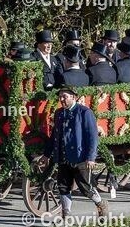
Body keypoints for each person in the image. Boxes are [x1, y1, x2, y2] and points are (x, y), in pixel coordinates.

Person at [38, 86, 109, 219]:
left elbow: (92, 137)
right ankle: (66, 214)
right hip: (63, 157)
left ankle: (101, 203)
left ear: (73, 97)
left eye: (64, 96)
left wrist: (91, 157)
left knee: (85, 187)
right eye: (60, 97)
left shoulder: (85, 112)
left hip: (80, 157)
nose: (61, 99)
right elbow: (54, 136)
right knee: (63, 186)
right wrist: (47, 154)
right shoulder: (59, 113)